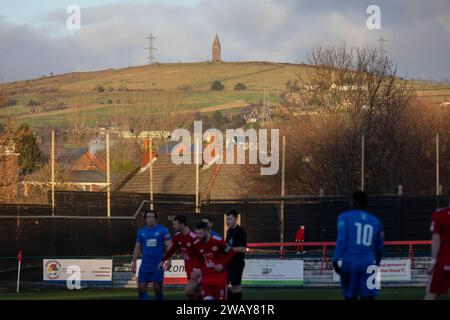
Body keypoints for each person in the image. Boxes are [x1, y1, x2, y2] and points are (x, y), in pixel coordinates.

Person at [332, 191, 384, 300]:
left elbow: (341, 240)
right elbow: (380, 248)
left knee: (350, 296)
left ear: (354, 202)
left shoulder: (344, 217)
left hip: (350, 261)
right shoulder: (376, 221)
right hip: (369, 263)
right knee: (369, 296)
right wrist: (377, 264)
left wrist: (335, 261)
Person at [131, 210, 172, 300]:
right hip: (145, 264)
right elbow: (137, 247)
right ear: (145, 219)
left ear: (156, 218)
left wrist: (169, 260)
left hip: (157, 264)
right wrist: (133, 262)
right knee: (141, 288)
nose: (151, 219)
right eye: (148, 217)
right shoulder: (141, 232)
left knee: (157, 288)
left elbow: (169, 245)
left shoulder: (163, 230)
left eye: (153, 217)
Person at [161, 214, 201, 299]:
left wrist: (199, 269)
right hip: (188, 267)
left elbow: (202, 254)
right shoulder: (177, 236)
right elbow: (172, 250)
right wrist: (164, 260)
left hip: (196, 268)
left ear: (182, 224)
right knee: (196, 293)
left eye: (175, 224)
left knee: (189, 291)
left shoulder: (193, 237)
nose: (173, 226)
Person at [193, 221, 234, 300]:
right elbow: (196, 258)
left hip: (220, 279)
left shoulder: (218, 241)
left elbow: (231, 252)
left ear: (207, 231)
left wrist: (222, 264)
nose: (198, 236)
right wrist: (197, 269)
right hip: (206, 279)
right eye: (196, 233)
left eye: (200, 234)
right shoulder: (196, 243)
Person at [425, 189, 450, 300]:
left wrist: (433, 262)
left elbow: (436, 239)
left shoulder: (440, 214)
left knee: (430, 295)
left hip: (443, 261)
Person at [225, 209, 247, 301]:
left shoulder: (241, 231)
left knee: (236, 288)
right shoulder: (229, 231)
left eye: (229, 219)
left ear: (236, 219)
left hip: (237, 263)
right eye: (226, 219)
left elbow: (243, 248)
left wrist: (230, 249)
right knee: (223, 285)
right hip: (227, 262)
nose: (227, 221)